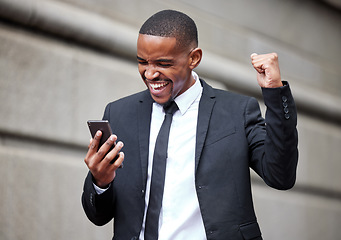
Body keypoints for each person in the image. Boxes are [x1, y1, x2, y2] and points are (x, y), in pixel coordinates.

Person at [82, 9, 298, 240]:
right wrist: (100, 182)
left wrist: (275, 93)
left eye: (163, 63)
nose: (150, 73)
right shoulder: (119, 113)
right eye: (142, 62)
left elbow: (280, 176)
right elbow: (98, 216)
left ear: (193, 58)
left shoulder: (237, 111)